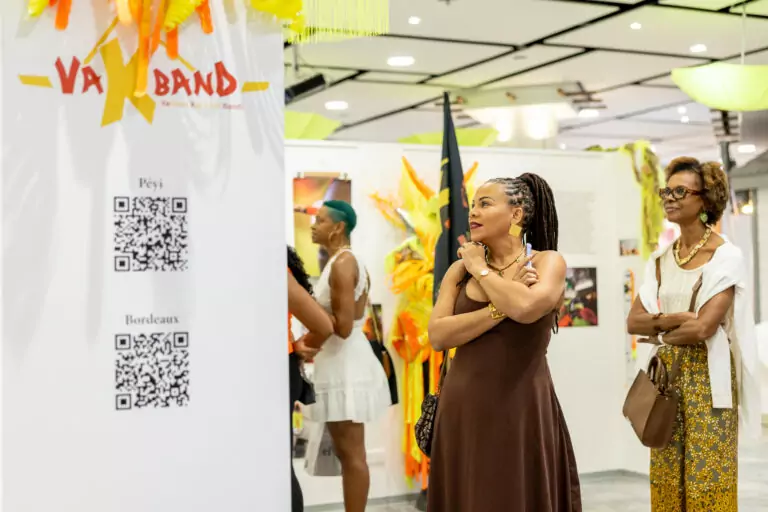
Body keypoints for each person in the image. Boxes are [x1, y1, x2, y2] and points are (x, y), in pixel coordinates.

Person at [427, 174, 582, 511]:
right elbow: (438, 335)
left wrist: (480, 269)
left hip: (521, 406)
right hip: (462, 407)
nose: (473, 212)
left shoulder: (546, 262)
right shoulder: (458, 271)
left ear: (516, 214)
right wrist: (499, 309)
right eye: (473, 205)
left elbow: (526, 309)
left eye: (485, 204)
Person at [626, 157, 760, 510]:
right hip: (665, 377)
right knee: (667, 477)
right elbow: (633, 322)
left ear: (705, 199)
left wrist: (658, 328)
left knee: (708, 479)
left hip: (708, 379)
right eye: (666, 191)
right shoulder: (660, 259)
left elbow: (703, 327)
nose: (669, 198)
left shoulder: (725, 256)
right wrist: (673, 320)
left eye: (680, 192)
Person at [302, 200, 391, 512]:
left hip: (344, 366)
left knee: (352, 455)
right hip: (340, 362)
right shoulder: (341, 261)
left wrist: (305, 339)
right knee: (347, 453)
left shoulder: (343, 263)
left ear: (338, 227)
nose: (314, 226)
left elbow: (341, 326)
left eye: (321, 220)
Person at [287, 246, 334, 512]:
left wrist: (296, 346)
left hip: (276, 374)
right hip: (267, 372)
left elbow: (324, 325)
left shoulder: (275, 271)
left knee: (278, 464)